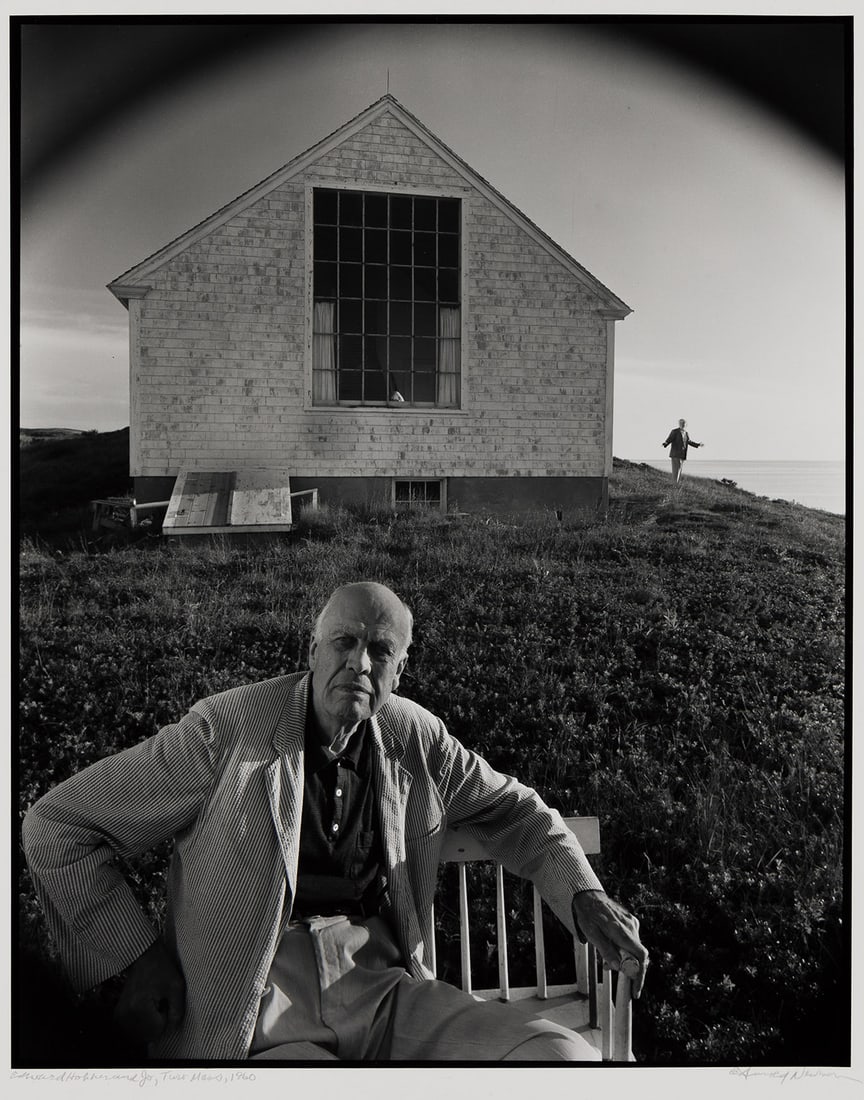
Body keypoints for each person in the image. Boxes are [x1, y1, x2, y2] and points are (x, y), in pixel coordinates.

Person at [22, 581, 648, 1063]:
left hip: (384, 991)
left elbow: (515, 811)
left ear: (399, 670)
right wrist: (138, 955)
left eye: (380, 650)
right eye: (344, 643)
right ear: (312, 651)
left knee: (560, 1057)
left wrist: (584, 894)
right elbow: (57, 825)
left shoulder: (416, 738)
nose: (360, 664)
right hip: (258, 1004)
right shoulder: (227, 732)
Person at [662, 419, 703, 484]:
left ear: (686, 425)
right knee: (675, 470)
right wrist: (665, 443)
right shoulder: (675, 431)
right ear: (679, 424)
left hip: (682, 454)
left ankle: (676, 484)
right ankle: (674, 484)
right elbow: (670, 439)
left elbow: (689, 442)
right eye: (681, 423)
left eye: (683, 423)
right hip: (675, 454)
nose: (682, 424)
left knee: (679, 470)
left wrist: (698, 444)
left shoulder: (686, 433)